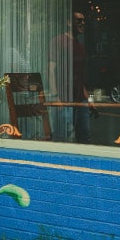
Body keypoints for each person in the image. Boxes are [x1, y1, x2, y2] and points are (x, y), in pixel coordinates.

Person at [48, 11, 96, 143]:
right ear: (69, 23)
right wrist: (55, 97)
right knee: (64, 139)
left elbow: (81, 77)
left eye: (83, 20)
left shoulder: (80, 46)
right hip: (64, 101)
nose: (82, 23)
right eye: (78, 20)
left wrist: (89, 100)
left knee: (85, 137)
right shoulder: (58, 41)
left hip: (80, 101)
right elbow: (51, 70)